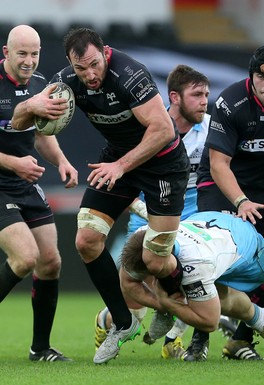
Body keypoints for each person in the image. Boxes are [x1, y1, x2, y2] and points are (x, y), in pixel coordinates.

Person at [12, 27, 190, 365]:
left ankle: (173, 303)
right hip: (117, 161)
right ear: (70, 64)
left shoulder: (130, 74)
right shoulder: (66, 83)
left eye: (95, 64)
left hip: (163, 165)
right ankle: (122, 322)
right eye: (81, 68)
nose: (90, 75)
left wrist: (121, 166)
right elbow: (22, 123)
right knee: (86, 241)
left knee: (155, 260)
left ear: (105, 52)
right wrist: (31, 105)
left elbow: (164, 129)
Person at [94, 64, 211, 360]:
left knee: (196, 281)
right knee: (136, 310)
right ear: (174, 97)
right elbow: (122, 177)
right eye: (196, 94)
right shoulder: (146, 130)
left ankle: (174, 340)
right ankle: (105, 321)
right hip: (146, 219)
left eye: (206, 95)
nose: (204, 101)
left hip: (192, 222)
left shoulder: (211, 129)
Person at [119, 170, 264, 360]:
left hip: (244, 242)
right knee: (219, 296)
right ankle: (262, 319)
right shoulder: (147, 236)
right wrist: (161, 303)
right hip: (209, 223)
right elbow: (128, 282)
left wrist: (168, 304)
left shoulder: (196, 264)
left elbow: (209, 321)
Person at [193, 43, 264, 361]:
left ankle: (241, 338)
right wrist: (240, 201)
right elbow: (219, 164)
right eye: (259, 77)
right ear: (251, 75)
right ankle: (200, 339)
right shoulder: (231, 102)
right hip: (222, 186)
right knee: (216, 262)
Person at [0, 25, 78, 361]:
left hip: (23, 183)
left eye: (35, 53)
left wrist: (62, 161)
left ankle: (40, 348)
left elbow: (41, 134)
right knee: (24, 257)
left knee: (50, 262)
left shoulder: (40, 84)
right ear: (6, 53)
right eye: (22, 54)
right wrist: (15, 164)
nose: (29, 61)